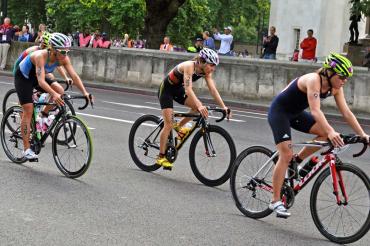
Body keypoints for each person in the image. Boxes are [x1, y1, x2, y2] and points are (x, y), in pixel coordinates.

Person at [267, 53, 369, 218]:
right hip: (280, 112)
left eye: (347, 78)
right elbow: (315, 111)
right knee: (285, 153)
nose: (344, 80)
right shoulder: (314, 79)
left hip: (296, 113)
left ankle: (297, 161)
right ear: (329, 72)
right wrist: (331, 130)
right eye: (342, 76)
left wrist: (362, 134)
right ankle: (275, 200)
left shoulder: (336, 87)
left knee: (323, 135)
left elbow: (347, 113)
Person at [14, 33, 92, 160]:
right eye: (63, 52)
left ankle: (43, 116)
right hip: (24, 77)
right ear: (53, 50)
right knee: (28, 109)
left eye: (68, 51)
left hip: (40, 76)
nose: (66, 55)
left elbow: (74, 76)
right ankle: (26, 149)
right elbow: (41, 82)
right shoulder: (40, 56)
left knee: (60, 90)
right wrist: (53, 94)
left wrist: (85, 92)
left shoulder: (63, 58)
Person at [156, 48, 231, 169]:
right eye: (212, 65)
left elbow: (213, 90)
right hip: (167, 91)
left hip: (178, 90)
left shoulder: (206, 72)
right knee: (168, 124)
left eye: (214, 66)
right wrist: (200, 105)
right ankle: (161, 156)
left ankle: (179, 127)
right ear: (202, 61)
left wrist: (224, 107)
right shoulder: (189, 66)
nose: (213, 69)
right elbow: (188, 89)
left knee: (197, 108)